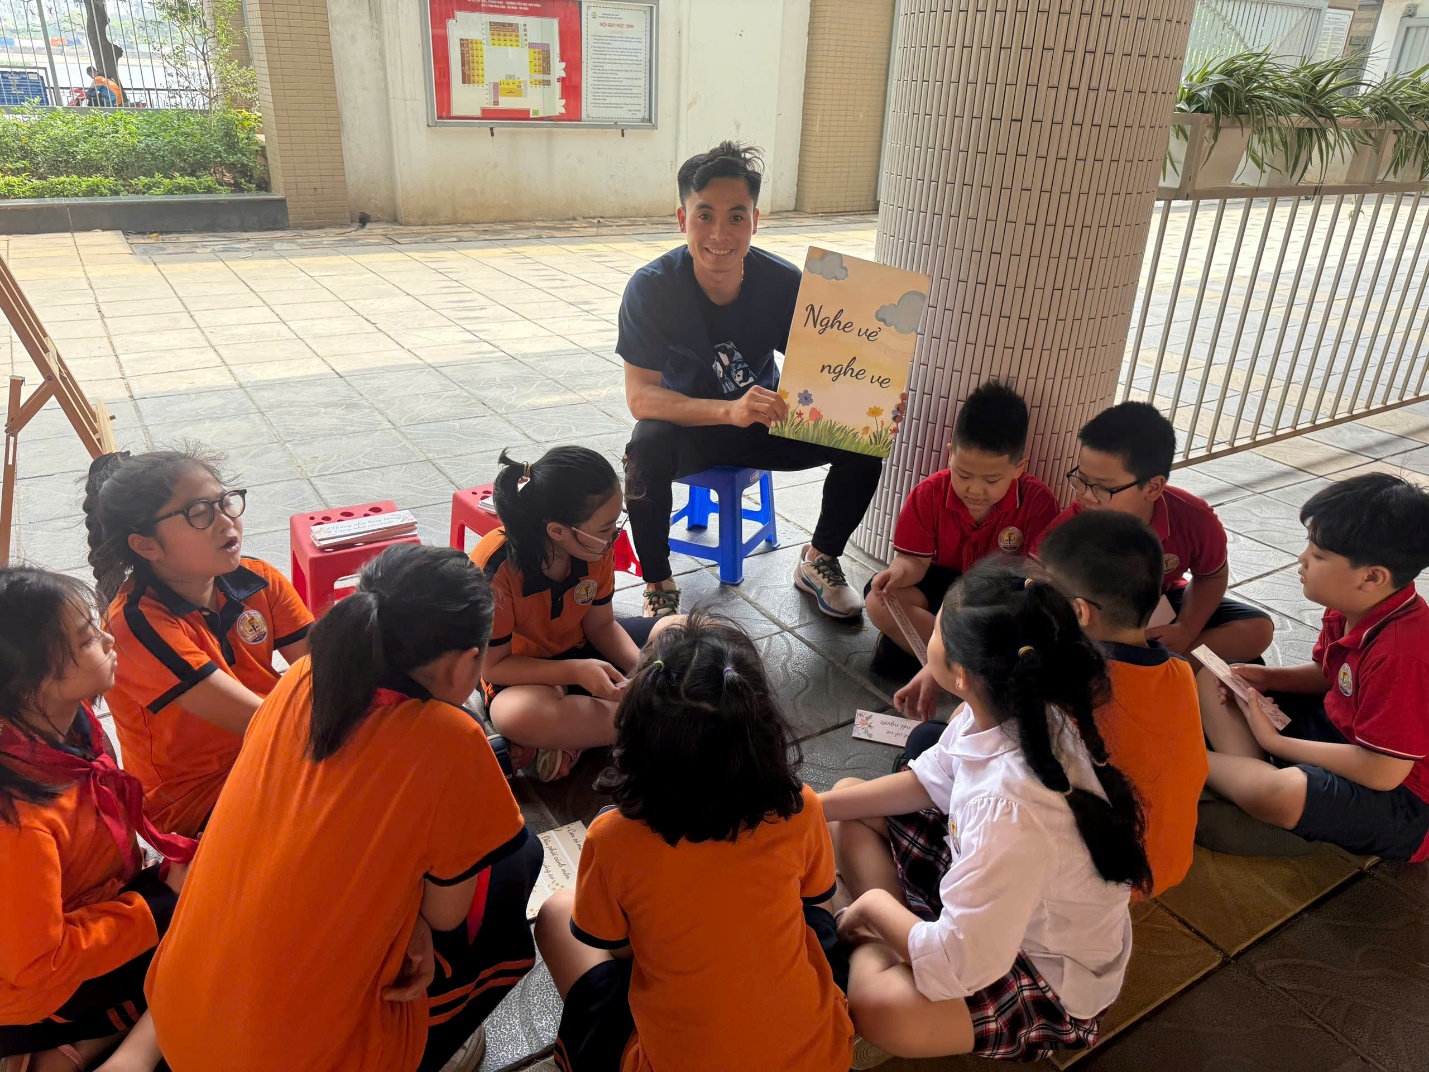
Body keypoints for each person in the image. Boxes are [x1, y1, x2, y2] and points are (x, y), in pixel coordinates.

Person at [146, 544, 541, 1072]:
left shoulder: (302, 679)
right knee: (518, 858)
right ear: (464, 664)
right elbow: (446, 916)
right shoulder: (452, 738)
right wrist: (415, 921)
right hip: (308, 1059)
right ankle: (439, 1031)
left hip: (180, 1018)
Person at [820, 559, 1149, 1065]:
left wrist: (869, 908)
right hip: (992, 906)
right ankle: (895, 934)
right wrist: (813, 806)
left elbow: (962, 965)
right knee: (846, 801)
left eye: (938, 631)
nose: (930, 634)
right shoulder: (1010, 708)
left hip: (1041, 969)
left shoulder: (1010, 808)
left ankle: (878, 931)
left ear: (961, 674)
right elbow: (929, 780)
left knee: (880, 1008)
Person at [533, 612, 854, 1072]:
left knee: (554, 915)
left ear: (634, 735)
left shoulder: (612, 838)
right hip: (820, 1056)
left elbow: (619, 948)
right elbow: (815, 904)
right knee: (817, 920)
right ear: (764, 728)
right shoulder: (801, 805)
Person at [619, 141, 903, 620]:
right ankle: (658, 582)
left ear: (756, 220)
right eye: (704, 215)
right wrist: (727, 410)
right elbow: (641, 398)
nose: (720, 233)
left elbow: (832, 367)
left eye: (736, 216)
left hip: (764, 424)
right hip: (688, 430)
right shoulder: (652, 288)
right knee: (644, 448)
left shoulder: (784, 283)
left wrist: (873, 392)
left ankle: (819, 559)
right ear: (682, 219)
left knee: (864, 441)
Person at [0, 568, 194, 1072]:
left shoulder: (66, 721)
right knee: (218, 933)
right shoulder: (17, 820)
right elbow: (37, 965)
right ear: (30, 680)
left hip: (96, 908)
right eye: (88, 638)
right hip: (36, 989)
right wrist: (157, 904)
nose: (108, 639)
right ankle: (112, 1052)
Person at [1197, 473, 1429, 862]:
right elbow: (1328, 676)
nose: (1302, 559)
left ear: (1371, 577)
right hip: (1336, 734)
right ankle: (1253, 780)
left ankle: (1188, 762)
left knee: (1285, 794)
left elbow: (1383, 772)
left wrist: (1275, 742)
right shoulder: (1349, 607)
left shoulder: (1403, 654)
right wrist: (1268, 677)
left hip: (1401, 798)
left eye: (1318, 555)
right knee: (1217, 675)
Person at [83, 449, 313, 837]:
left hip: (273, 751)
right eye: (199, 513)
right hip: (195, 800)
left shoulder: (258, 578)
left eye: (226, 502)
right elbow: (262, 721)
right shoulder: (135, 625)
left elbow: (329, 668)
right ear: (146, 546)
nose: (226, 521)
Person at [1038, 511, 1206, 897]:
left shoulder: (1065, 688)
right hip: (1163, 870)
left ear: (1079, 612)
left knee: (929, 740)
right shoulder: (1180, 673)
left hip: (1089, 892)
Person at [1032, 402, 1273, 665]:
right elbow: (1038, 596)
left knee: (1257, 630)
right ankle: (1156, 666)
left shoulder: (1193, 517)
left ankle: (1163, 666)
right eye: (1082, 480)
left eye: (1104, 487)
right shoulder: (1067, 531)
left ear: (1153, 487)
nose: (1087, 496)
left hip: (1159, 605)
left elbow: (1211, 575)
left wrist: (1185, 629)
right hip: (1095, 617)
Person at [475, 447, 662, 782]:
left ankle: (588, 730)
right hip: (524, 673)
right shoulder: (497, 567)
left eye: (616, 522)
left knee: (682, 630)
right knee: (517, 715)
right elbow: (493, 666)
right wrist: (575, 671)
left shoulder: (594, 546)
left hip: (584, 648)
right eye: (606, 528)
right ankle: (652, 719)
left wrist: (644, 671)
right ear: (557, 531)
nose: (614, 536)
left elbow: (601, 625)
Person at [865, 380, 1058, 680]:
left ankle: (935, 660)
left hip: (994, 598)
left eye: (992, 480)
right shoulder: (928, 494)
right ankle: (964, 668)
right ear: (950, 454)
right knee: (878, 600)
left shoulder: (1038, 502)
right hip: (939, 587)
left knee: (1031, 620)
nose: (975, 490)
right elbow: (913, 562)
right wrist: (897, 574)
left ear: (1019, 467)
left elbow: (1036, 578)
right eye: (964, 475)